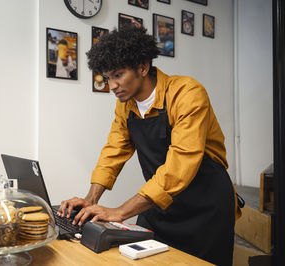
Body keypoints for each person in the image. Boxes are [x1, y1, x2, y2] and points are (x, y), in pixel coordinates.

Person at [57, 26, 241, 266]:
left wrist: (120, 211)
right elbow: (113, 152)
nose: (111, 85)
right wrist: (91, 198)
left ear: (143, 67)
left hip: (205, 206)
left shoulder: (187, 93)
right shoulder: (126, 105)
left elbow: (179, 166)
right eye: (107, 77)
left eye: (118, 75)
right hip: (161, 205)